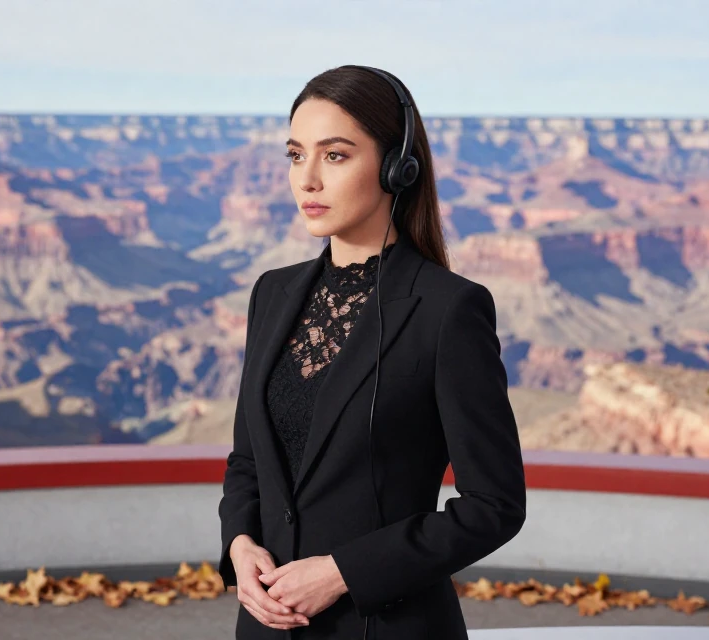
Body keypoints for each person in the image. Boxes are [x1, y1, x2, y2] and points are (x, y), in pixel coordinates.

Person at [218, 64, 527, 640]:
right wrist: (239, 545)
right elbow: (248, 462)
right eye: (294, 155)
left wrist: (343, 573)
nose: (307, 179)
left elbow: (495, 505)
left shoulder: (447, 310)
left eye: (334, 156)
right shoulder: (272, 293)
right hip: (266, 628)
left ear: (396, 167)